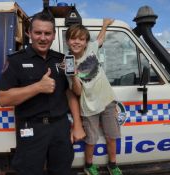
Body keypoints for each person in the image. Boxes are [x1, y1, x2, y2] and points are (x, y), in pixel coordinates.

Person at [0, 12, 85, 175]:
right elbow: (3, 98)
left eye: (47, 33)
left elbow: (70, 93)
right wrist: (38, 87)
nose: (43, 38)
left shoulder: (62, 60)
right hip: (31, 128)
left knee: (62, 170)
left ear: (53, 36)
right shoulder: (16, 61)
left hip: (60, 128)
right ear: (29, 33)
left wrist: (77, 125)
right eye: (38, 33)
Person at [66, 19, 122, 175]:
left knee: (112, 136)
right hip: (88, 106)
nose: (77, 42)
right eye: (73, 38)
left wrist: (105, 25)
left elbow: (100, 39)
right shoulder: (68, 63)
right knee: (91, 139)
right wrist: (74, 76)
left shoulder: (92, 48)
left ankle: (113, 164)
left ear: (85, 42)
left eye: (81, 39)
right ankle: (89, 165)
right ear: (67, 41)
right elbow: (76, 92)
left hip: (108, 101)